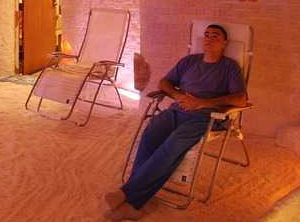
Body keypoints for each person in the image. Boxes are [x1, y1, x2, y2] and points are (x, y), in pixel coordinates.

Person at [103, 24, 247, 221]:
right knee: (150, 134)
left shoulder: (230, 67)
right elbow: (164, 82)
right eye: (207, 34)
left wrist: (201, 103)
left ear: (224, 43)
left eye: (215, 36)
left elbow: (241, 99)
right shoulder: (189, 61)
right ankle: (132, 199)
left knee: (171, 146)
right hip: (176, 112)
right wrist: (178, 96)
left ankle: (130, 197)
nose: (209, 38)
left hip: (204, 118)